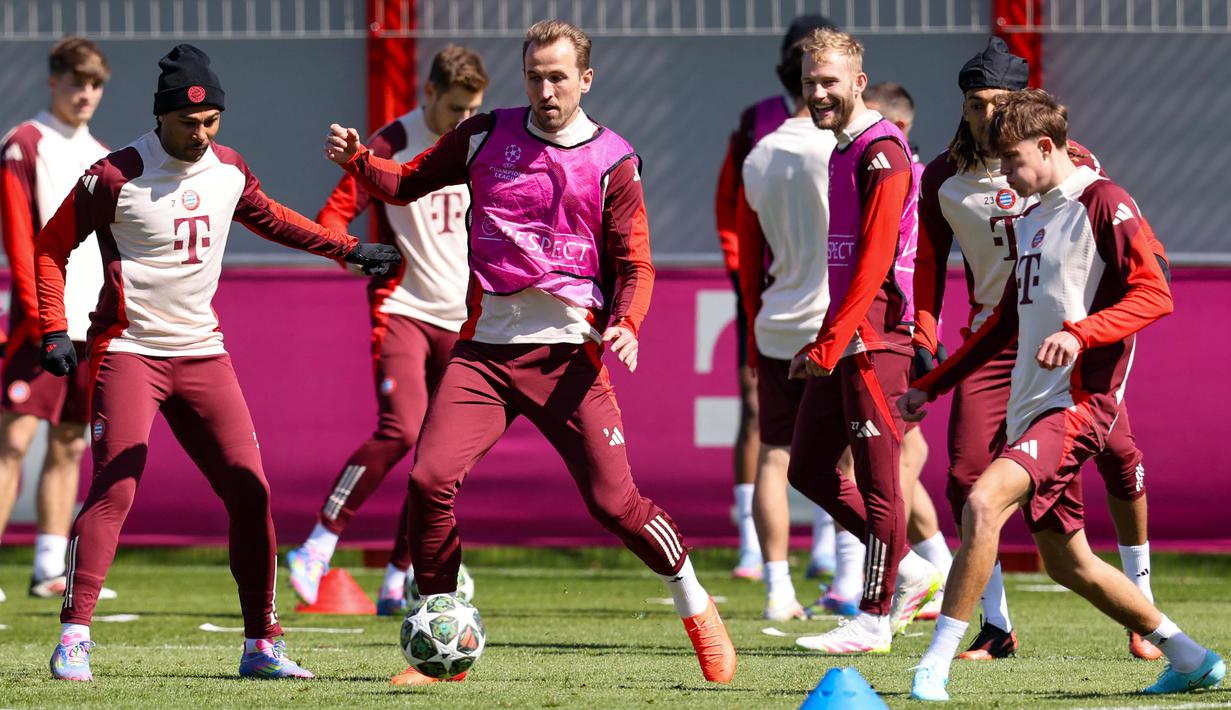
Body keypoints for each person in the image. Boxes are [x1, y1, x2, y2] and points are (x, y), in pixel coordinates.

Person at [325, 20, 736, 685]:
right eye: (535, 76)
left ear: (585, 80)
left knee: (614, 505)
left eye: (558, 76)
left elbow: (635, 263)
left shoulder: (614, 159)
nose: (545, 89)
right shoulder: (485, 132)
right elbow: (404, 185)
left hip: (568, 358)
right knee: (429, 481)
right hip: (485, 353)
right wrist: (357, 162)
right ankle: (441, 647)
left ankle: (697, 605)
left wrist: (628, 322)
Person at [34, 44, 401, 682]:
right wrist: (54, 328)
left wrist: (349, 249)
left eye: (211, 122)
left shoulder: (228, 168)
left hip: (203, 353)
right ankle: (74, 637)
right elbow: (49, 247)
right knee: (116, 488)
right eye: (188, 123)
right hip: (131, 352)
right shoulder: (114, 175)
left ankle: (261, 643)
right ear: (161, 118)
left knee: (250, 491)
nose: (201, 135)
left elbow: (275, 220)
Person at [903, 88, 1223, 702]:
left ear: (1046, 147)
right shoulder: (1031, 215)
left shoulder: (1106, 201)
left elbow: (1156, 294)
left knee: (983, 501)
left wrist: (1081, 334)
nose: (1005, 176)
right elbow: (1003, 320)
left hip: (1078, 404)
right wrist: (932, 384)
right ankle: (1192, 657)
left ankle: (934, 664)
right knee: (1067, 562)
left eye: (1014, 161)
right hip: (1033, 402)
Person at [912, 38, 1166, 661]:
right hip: (995, 337)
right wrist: (925, 335)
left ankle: (1142, 604)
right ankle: (995, 628)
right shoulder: (944, 174)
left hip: (1066, 342)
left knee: (1121, 456)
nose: (989, 119)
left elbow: (1141, 275)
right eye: (977, 105)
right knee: (966, 478)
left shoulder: (1069, 165)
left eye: (1001, 105)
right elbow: (926, 259)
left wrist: (1085, 330)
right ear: (964, 107)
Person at [286, 45, 488, 626]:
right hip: (403, 309)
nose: (462, 119)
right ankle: (317, 545)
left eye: (471, 107)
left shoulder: (483, 142)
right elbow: (334, 215)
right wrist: (355, 257)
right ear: (428, 95)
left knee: (441, 460)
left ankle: (400, 579)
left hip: (467, 321)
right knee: (400, 429)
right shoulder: (389, 144)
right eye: (454, 107)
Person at [784, 28, 941, 655]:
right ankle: (911, 571)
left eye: (829, 81)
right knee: (807, 468)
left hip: (878, 340)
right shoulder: (841, 149)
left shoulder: (883, 152)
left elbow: (874, 262)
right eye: (809, 83)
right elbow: (850, 264)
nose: (819, 92)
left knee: (882, 485)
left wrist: (830, 342)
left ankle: (875, 617)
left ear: (857, 80)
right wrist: (826, 338)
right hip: (848, 334)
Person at [714, 14, 838, 582]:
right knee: (767, 418)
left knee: (801, 432)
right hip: (785, 293)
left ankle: (819, 552)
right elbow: (732, 209)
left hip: (793, 297)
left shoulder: (843, 133)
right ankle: (754, 546)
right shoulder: (758, 126)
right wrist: (747, 274)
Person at [0, 37, 116, 603]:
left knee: (71, 442)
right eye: (76, 81)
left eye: (95, 83)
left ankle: (49, 566)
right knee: (14, 439)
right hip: (40, 320)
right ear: (54, 81)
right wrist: (39, 315)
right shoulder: (25, 143)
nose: (86, 93)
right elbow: (21, 241)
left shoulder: (103, 154)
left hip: (90, 321)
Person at [862, 81, 954, 616]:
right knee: (894, 461)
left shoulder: (906, 178)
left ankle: (909, 579)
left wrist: (923, 334)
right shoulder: (898, 174)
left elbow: (909, 264)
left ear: (897, 129)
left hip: (896, 329)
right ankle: (933, 575)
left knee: (891, 463)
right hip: (899, 327)